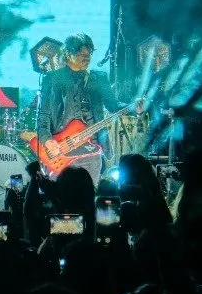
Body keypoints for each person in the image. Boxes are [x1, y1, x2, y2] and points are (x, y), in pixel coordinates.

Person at [36, 33, 139, 185]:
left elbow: (114, 106)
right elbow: (43, 114)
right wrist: (47, 140)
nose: (86, 57)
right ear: (67, 53)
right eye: (81, 53)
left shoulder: (99, 78)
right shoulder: (53, 78)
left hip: (92, 148)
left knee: (89, 196)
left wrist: (133, 106)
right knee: (60, 198)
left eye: (89, 53)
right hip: (62, 147)